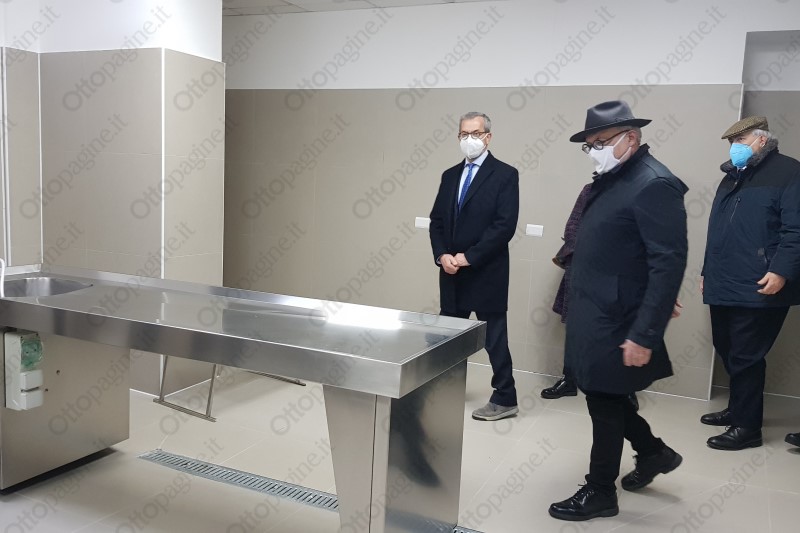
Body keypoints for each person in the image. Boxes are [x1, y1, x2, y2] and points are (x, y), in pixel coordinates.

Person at [548, 101, 687, 521]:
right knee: (602, 392)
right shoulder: (614, 177)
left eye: (602, 142)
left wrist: (645, 332)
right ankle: (654, 452)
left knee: (605, 400)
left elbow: (668, 261)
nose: (595, 151)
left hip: (619, 315)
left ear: (632, 137)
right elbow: (630, 247)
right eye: (590, 144)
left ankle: (600, 491)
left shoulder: (654, 183)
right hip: (596, 307)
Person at [700, 116, 800, 451]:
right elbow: (717, 231)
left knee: (746, 354)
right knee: (727, 347)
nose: (734, 147)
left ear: (761, 140)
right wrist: (706, 271)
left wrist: (781, 270)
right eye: (732, 142)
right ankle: (738, 409)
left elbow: (796, 229)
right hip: (724, 278)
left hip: (762, 280)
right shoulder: (732, 176)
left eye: (740, 140)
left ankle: (747, 428)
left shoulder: (790, 171)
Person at [429, 111, 520, 421]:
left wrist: (469, 257)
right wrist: (442, 256)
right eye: (464, 134)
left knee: (494, 338)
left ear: (488, 137)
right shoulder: (449, 176)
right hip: (452, 273)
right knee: (448, 336)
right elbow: (437, 222)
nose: (470, 139)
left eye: (476, 133)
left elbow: (504, 226)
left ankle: (505, 397)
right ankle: (444, 388)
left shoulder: (505, 175)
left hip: (486, 272)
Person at [540, 183, 591, 399]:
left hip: (619, 274)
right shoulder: (591, 190)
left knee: (618, 330)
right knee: (574, 327)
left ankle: (625, 389)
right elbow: (572, 226)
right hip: (582, 267)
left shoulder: (635, 190)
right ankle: (569, 380)